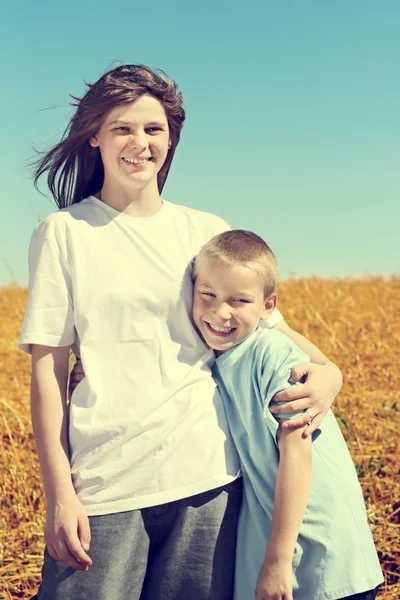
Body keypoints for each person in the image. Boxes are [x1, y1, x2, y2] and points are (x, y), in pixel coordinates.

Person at [19, 64, 342, 600]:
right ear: (94, 134)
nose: (139, 143)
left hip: (209, 481)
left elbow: (268, 327)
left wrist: (330, 374)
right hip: (105, 484)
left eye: (154, 130)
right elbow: (47, 372)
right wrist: (59, 494)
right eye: (123, 128)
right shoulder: (64, 233)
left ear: (170, 140)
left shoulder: (205, 230)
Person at [191, 229, 383, 600]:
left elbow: (297, 451)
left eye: (239, 300)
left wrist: (278, 562)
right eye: (208, 295)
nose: (220, 311)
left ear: (267, 306)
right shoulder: (223, 358)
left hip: (322, 552)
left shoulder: (274, 357)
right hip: (286, 547)